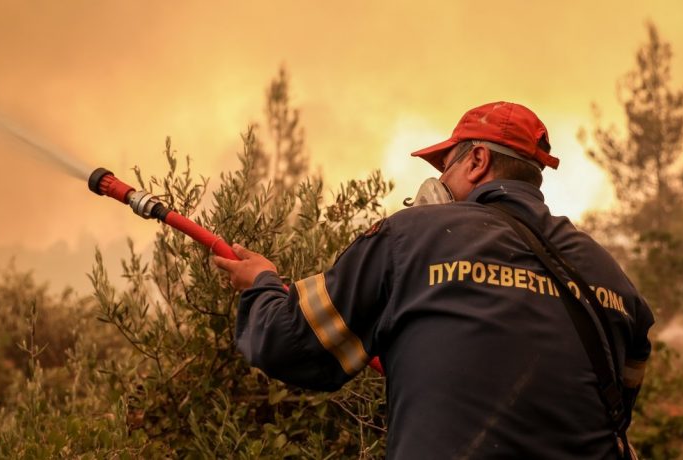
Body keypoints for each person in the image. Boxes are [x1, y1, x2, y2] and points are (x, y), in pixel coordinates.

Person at [213, 101, 654, 459]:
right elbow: (618, 401)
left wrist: (262, 283)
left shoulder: (410, 238)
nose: (439, 179)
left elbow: (289, 344)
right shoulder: (608, 272)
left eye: (446, 165)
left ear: (477, 161)